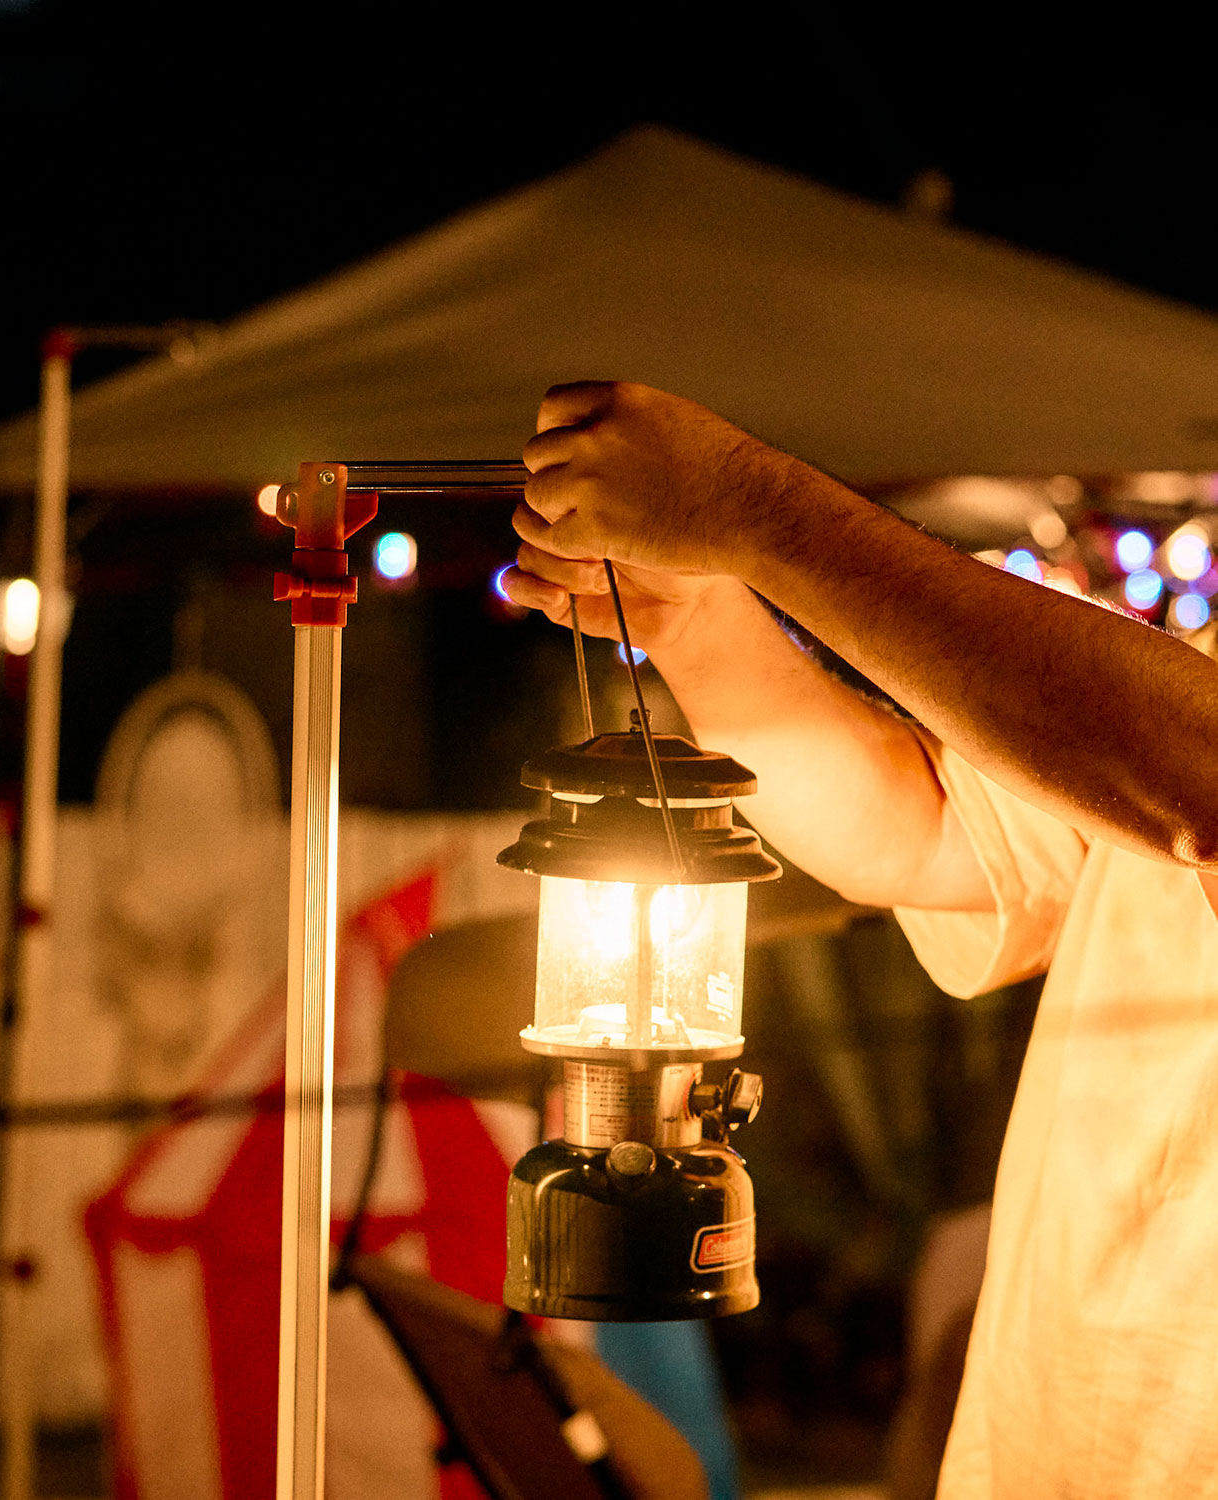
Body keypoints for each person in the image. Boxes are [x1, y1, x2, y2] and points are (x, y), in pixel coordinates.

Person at [502, 380, 1218, 1499]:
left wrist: (751, 508)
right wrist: (704, 622)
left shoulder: (1181, 725)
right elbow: (928, 836)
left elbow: (1196, 775)